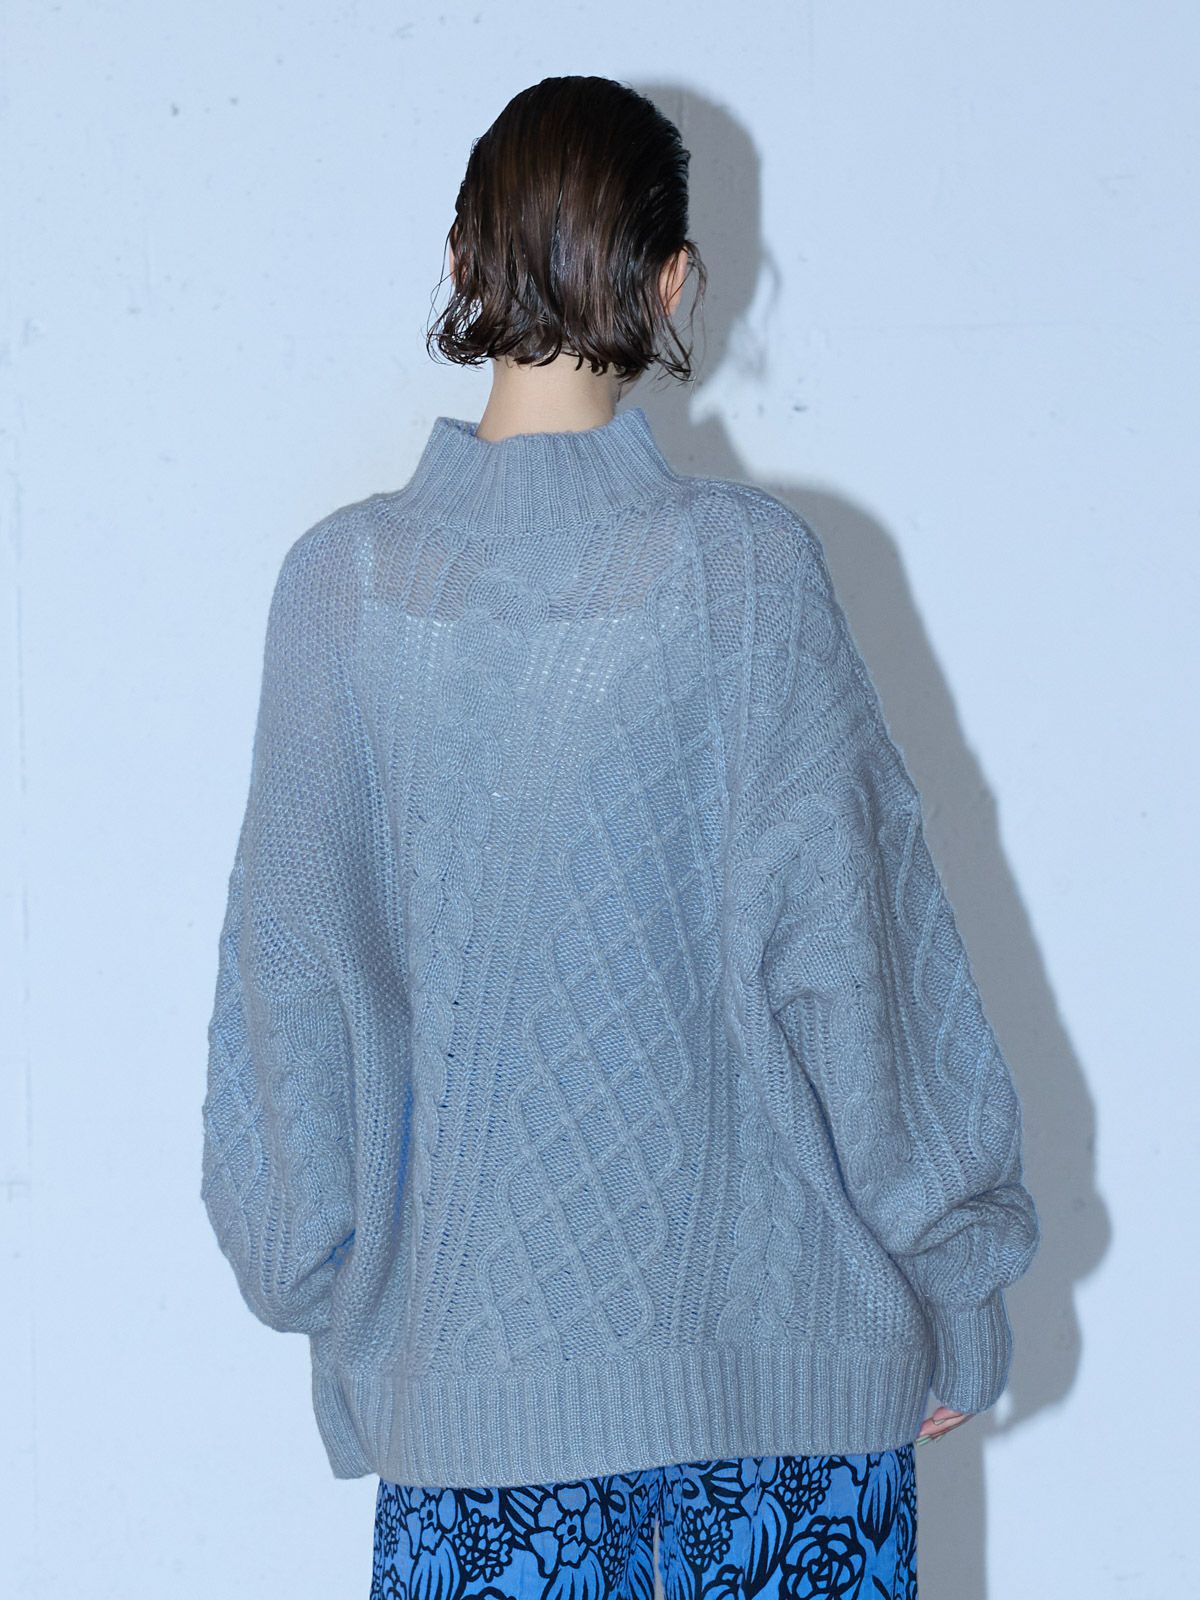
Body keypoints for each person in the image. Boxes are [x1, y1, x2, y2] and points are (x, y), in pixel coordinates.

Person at [200, 75, 1041, 1599]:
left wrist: (334, 1301)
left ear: (460, 258)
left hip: (476, 1450)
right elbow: (865, 970)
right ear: (672, 282)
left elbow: (291, 1007)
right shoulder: (748, 579)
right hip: (783, 1434)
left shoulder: (339, 595)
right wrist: (959, 1286)